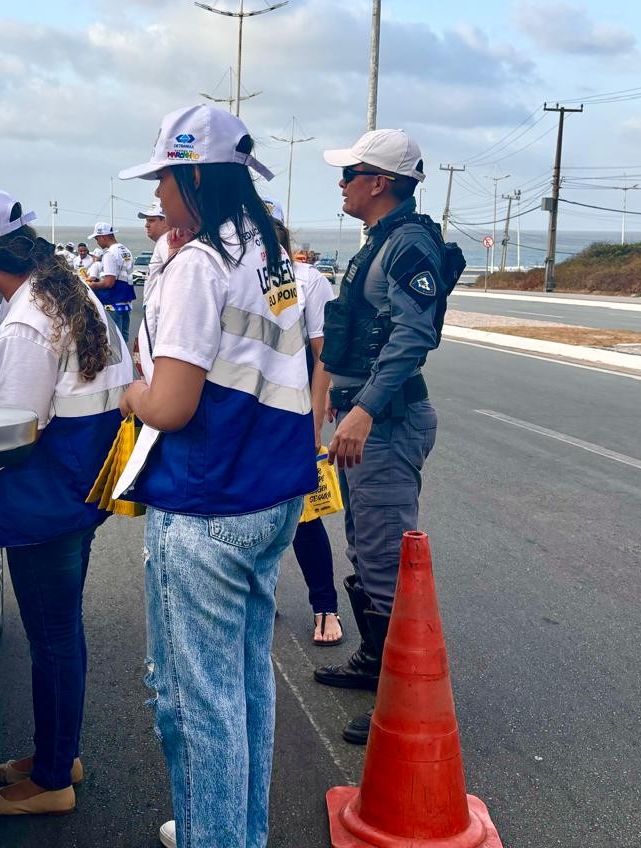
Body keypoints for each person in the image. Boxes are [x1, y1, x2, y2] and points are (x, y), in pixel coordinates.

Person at [117, 105, 317, 848]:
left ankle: (214, 836)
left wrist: (126, 392)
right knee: (242, 686)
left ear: (194, 175)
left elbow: (169, 404)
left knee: (193, 703)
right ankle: (232, 831)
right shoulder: (262, 249)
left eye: (166, 179)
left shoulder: (199, 264)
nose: (160, 197)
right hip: (270, 492)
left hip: (208, 502)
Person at [0, 184, 133, 817]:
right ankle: (55, 754)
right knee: (60, 633)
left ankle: (53, 779)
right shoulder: (60, 294)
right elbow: (57, 384)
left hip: (47, 501)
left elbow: (14, 426)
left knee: (54, 638)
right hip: (78, 490)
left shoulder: (28, 323)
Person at [313, 129, 460, 747]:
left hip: (387, 422)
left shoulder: (406, 247)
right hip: (364, 419)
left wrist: (365, 409)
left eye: (350, 173)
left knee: (387, 560)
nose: (341, 183)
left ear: (381, 181)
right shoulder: (378, 245)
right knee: (365, 547)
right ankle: (378, 665)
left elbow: (413, 336)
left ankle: (401, 707)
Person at [265, 197, 345, 648]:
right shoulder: (227, 273)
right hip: (248, 418)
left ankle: (325, 606)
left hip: (295, 414)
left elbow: (323, 356)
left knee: (304, 514)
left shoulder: (308, 280)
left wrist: (315, 421)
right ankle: (261, 593)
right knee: (253, 511)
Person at [88, 221, 136, 341]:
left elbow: (109, 282)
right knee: (124, 339)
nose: (97, 242)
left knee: (114, 341)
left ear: (104, 236)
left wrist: (92, 285)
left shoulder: (110, 254)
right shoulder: (126, 250)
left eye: (97, 238)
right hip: (126, 302)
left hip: (113, 302)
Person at [139, 199, 172, 292]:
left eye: (151, 220)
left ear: (165, 222)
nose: (146, 225)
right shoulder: (164, 242)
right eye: (147, 221)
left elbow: (173, 274)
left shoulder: (165, 243)